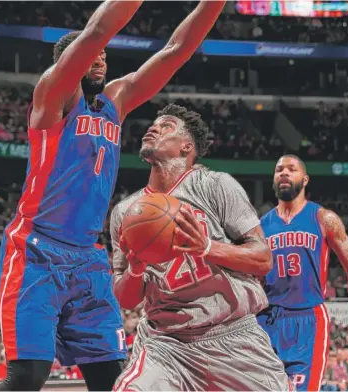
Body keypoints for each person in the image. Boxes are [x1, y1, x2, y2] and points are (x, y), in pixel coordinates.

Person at [0, 1, 227, 390]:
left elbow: (177, 49)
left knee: (111, 378)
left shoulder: (114, 102)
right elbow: (96, 32)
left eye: (104, 57)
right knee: (28, 376)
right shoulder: (53, 98)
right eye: (91, 57)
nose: (100, 60)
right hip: (37, 249)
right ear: (69, 61)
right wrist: (92, 41)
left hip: (88, 257)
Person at [110, 104, 291, 391]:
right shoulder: (125, 213)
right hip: (166, 344)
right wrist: (135, 270)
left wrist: (207, 247)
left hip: (233, 336)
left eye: (166, 126)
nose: (153, 127)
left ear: (186, 147)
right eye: (153, 124)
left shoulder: (216, 186)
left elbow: (263, 259)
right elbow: (126, 299)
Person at [258, 155, 348, 391]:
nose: (284, 173)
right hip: (266, 318)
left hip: (307, 318)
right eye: (279, 170)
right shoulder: (260, 226)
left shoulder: (323, 219)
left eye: (291, 169)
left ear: (305, 179)